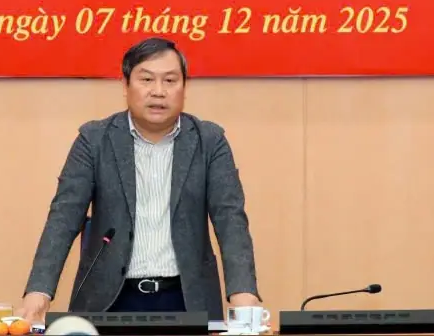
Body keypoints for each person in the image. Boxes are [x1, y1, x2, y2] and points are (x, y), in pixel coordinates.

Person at [18, 37, 261, 323]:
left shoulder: (209, 141)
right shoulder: (94, 140)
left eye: (170, 80)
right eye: (146, 79)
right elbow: (63, 218)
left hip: (187, 300)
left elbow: (230, 219)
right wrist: (39, 291)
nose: (158, 91)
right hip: (108, 301)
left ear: (184, 87)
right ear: (125, 85)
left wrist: (243, 293)